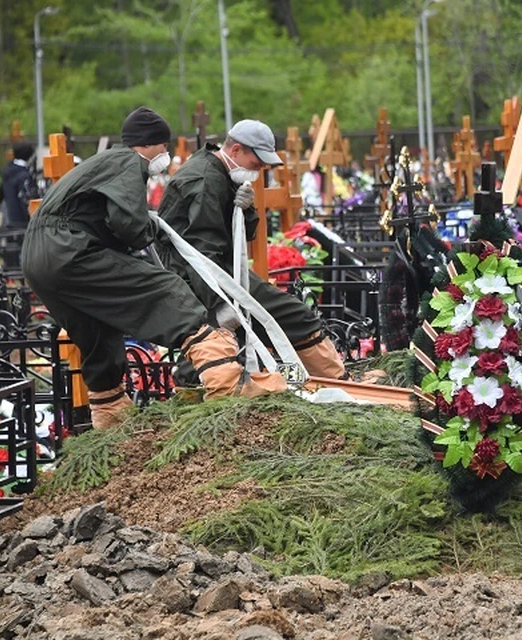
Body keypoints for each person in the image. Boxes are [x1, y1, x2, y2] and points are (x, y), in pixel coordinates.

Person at [22, 107, 284, 430]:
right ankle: (226, 380)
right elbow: (129, 223)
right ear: (149, 144)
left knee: (99, 329)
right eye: (164, 146)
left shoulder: (101, 163)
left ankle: (111, 414)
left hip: (38, 257)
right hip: (69, 249)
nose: (167, 153)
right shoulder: (127, 162)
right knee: (166, 288)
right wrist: (150, 232)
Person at [156, 119, 344, 378]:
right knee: (291, 315)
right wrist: (221, 301)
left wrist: (247, 209)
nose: (259, 171)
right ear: (235, 150)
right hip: (199, 274)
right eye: (257, 163)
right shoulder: (205, 180)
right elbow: (201, 250)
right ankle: (335, 381)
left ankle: (192, 383)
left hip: (215, 268)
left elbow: (244, 233)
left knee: (230, 333)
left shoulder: (221, 171)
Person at [0, 143, 34, 230]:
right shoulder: (24, 175)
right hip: (22, 221)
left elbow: (0, 192)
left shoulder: (7, 172)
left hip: (9, 217)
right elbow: (26, 198)